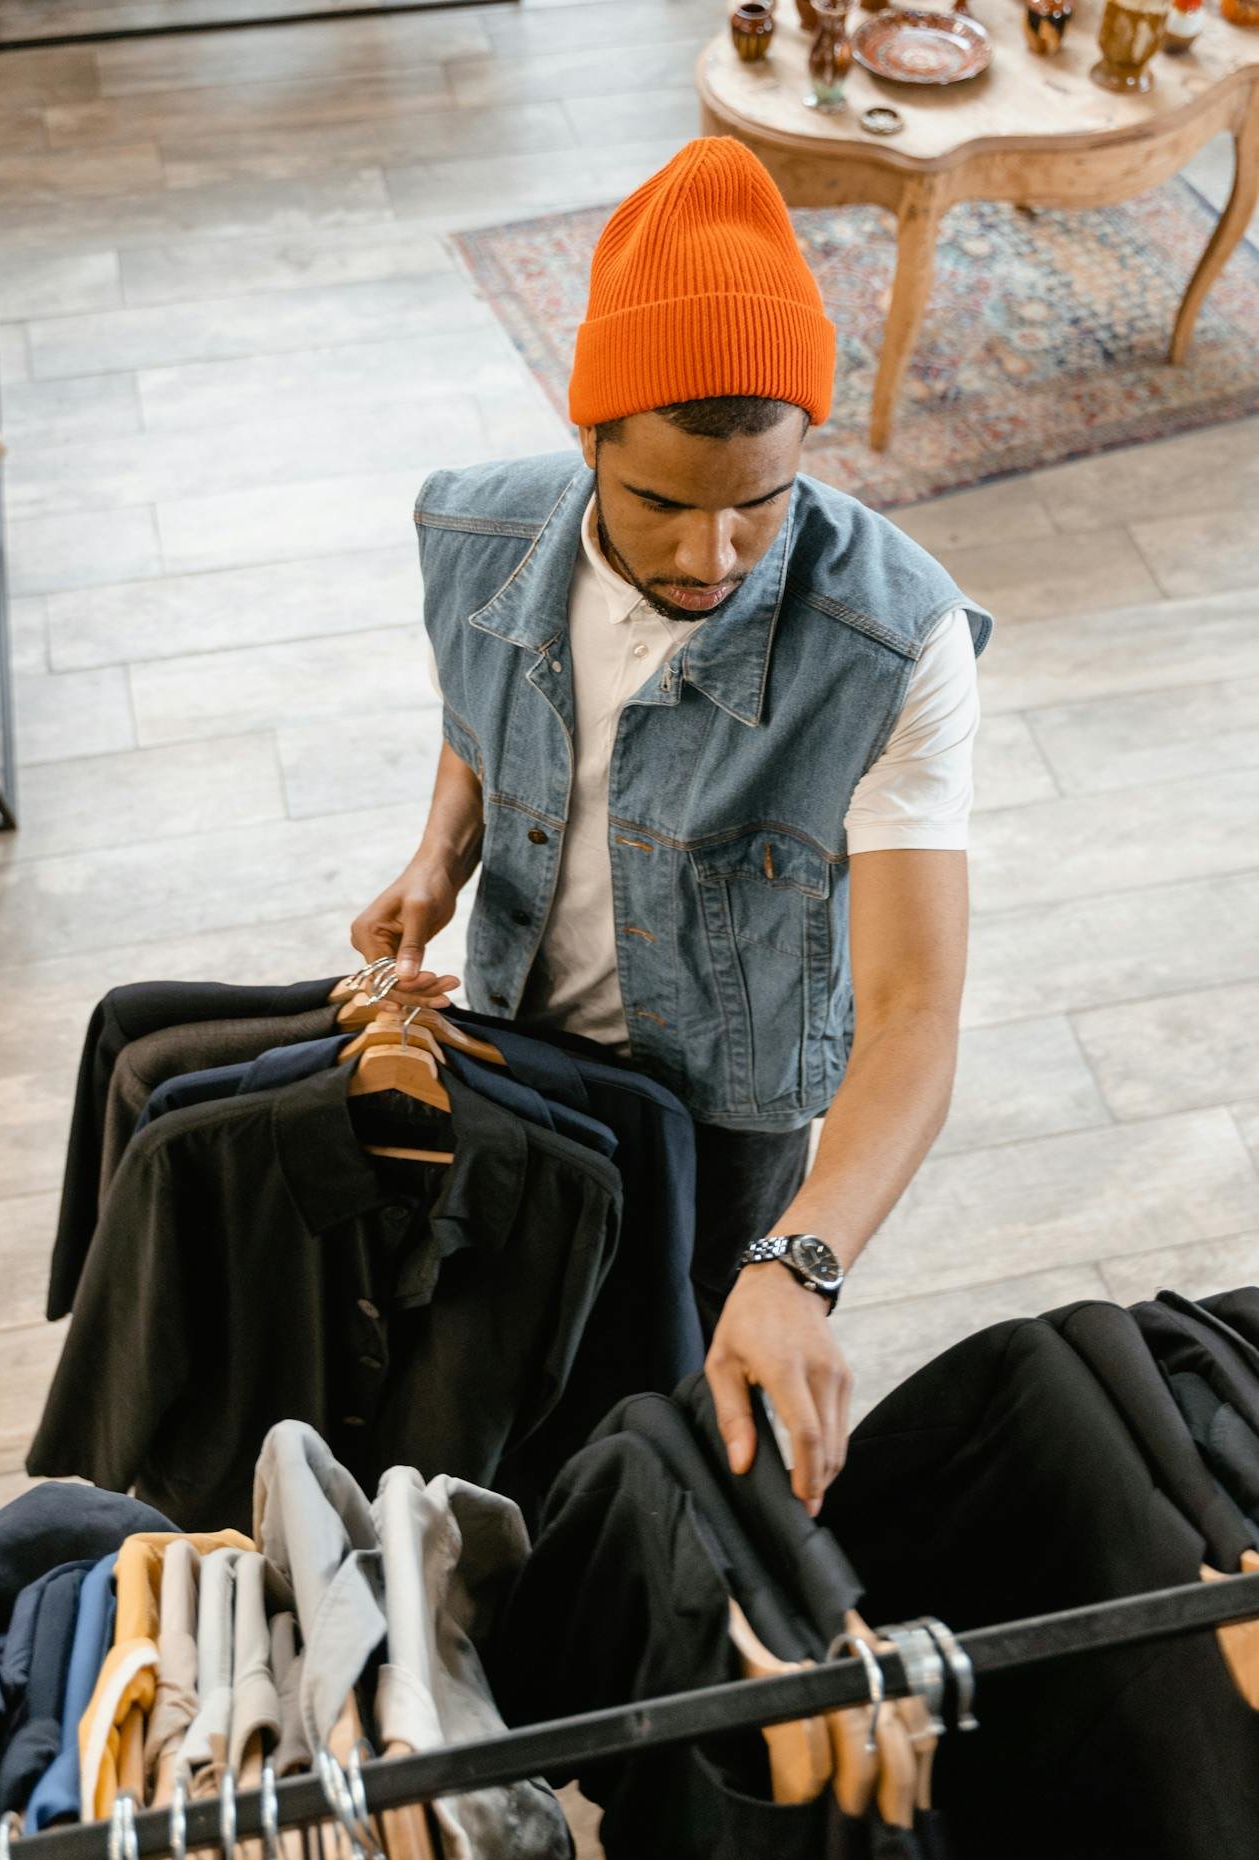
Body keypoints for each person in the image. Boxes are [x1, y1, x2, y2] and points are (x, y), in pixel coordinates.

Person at [351, 136, 992, 1511]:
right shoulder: (469, 532)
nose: (713, 557)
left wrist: (799, 1263)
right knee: (514, 1379)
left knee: (678, 1430)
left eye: (759, 503)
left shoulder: (894, 639)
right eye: (661, 504)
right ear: (585, 438)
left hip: (726, 1116)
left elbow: (913, 1014)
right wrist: (437, 856)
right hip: (516, 1050)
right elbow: (479, 712)